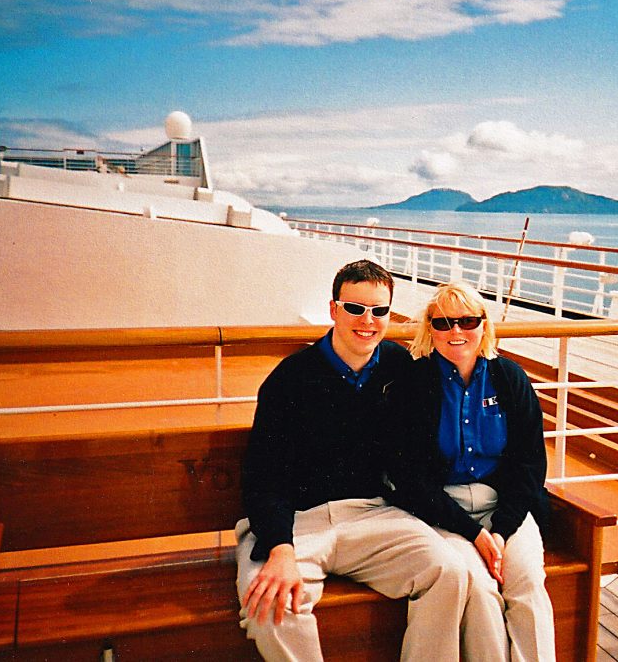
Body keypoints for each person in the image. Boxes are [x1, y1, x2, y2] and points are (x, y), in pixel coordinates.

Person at [235, 260, 469, 661]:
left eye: (379, 311)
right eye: (356, 308)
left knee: (448, 572)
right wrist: (280, 548)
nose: (368, 321)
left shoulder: (400, 369)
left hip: (371, 515)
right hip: (298, 523)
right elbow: (264, 476)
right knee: (270, 607)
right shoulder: (290, 379)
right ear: (333, 309)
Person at [389, 281, 556, 662]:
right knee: (479, 591)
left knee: (528, 584)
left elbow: (530, 465)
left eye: (466, 321)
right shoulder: (415, 384)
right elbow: (412, 478)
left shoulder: (510, 379)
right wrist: (475, 534)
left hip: (505, 507)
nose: (456, 332)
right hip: (444, 512)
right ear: (430, 328)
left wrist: (500, 530)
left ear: (484, 325)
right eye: (444, 322)